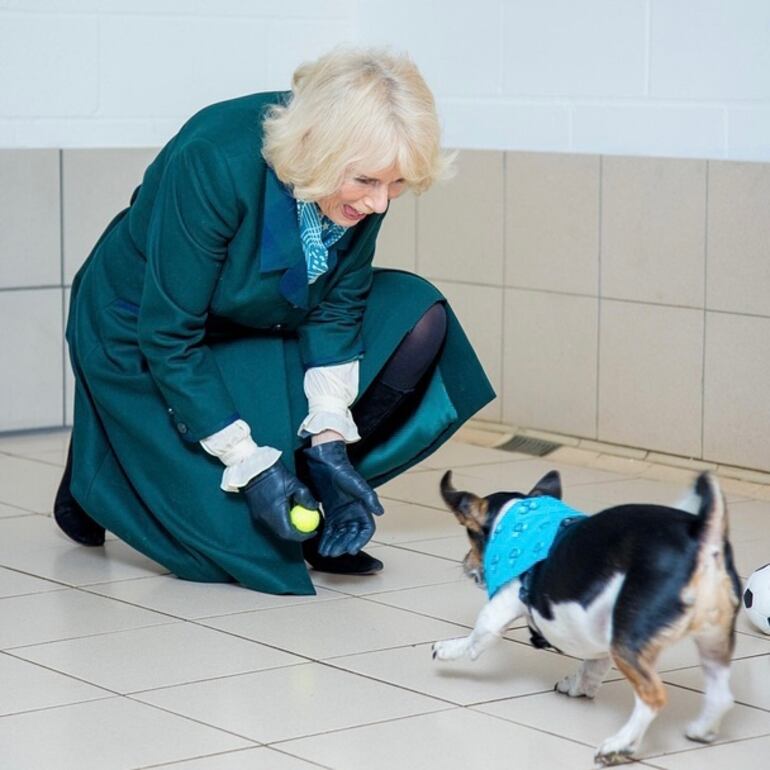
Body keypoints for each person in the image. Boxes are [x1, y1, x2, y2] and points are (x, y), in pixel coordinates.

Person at [53, 47, 494, 595]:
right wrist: (250, 464)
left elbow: (337, 301)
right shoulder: (213, 159)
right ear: (319, 150)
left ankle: (310, 482)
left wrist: (328, 441)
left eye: (396, 185)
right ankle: (97, 469)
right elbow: (169, 335)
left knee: (418, 315)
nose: (381, 204)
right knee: (241, 550)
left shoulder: (359, 177)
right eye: (368, 183)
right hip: (145, 329)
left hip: (260, 317)